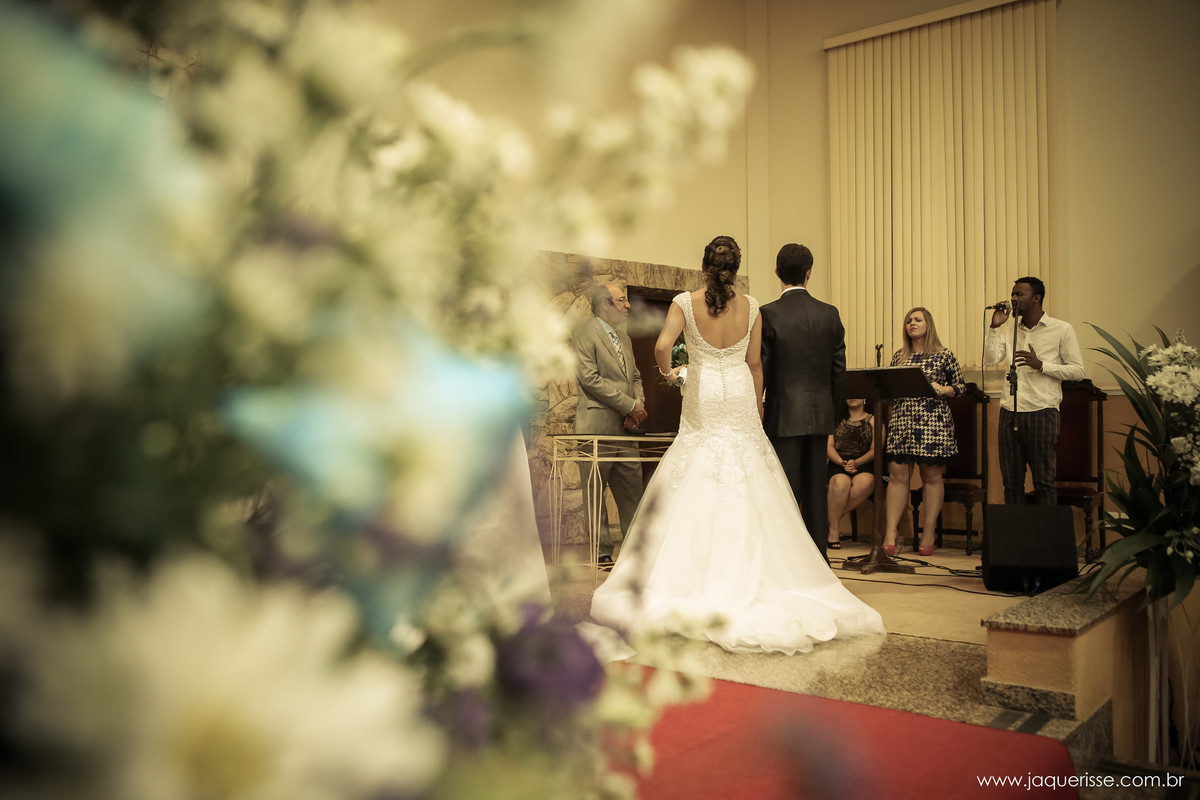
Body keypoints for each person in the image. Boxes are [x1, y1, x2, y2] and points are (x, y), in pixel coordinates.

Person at [589, 236, 884, 655]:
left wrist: (673, 374)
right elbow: (755, 363)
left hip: (705, 388)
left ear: (705, 266)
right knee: (748, 468)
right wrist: (757, 406)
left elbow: (660, 346)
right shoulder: (752, 305)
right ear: (736, 267)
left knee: (697, 464)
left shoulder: (685, 302)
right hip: (741, 392)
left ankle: (692, 577)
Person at [760, 243, 846, 560]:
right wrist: (832, 414)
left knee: (783, 492)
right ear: (809, 273)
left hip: (782, 416)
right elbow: (839, 371)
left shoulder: (767, 314)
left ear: (777, 273)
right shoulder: (830, 314)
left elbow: (762, 370)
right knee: (815, 493)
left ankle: (785, 561)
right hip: (820, 415)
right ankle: (819, 562)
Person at [983, 277, 1085, 504]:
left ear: (1036, 298)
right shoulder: (1010, 329)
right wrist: (994, 328)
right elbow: (990, 360)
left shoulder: (1062, 329)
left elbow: (1078, 371)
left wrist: (1042, 366)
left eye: (1020, 295)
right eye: (1013, 294)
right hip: (1010, 411)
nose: (1013, 299)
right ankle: (1015, 539)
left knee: (1043, 482)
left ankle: (1044, 539)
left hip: (1042, 411)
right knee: (1011, 483)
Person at [573, 284, 648, 569]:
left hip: (627, 429)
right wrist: (629, 405)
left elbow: (637, 376)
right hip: (596, 425)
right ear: (606, 304)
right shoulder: (584, 333)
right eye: (622, 300)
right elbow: (590, 379)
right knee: (594, 493)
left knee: (632, 490)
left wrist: (637, 407)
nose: (628, 306)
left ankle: (634, 552)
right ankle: (602, 554)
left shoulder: (624, 339)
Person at [882, 307, 966, 557]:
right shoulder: (898, 356)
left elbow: (961, 387)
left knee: (931, 477)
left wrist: (945, 389)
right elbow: (889, 389)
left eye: (917, 320)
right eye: (909, 320)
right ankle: (889, 532)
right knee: (897, 476)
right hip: (902, 422)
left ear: (928, 324)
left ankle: (928, 532)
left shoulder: (943, 355)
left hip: (933, 423)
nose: (912, 323)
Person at [825, 398, 875, 550]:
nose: (852, 397)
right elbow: (829, 446)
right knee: (841, 483)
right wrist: (841, 462)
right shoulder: (835, 418)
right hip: (838, 462)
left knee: (866, 482)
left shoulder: (873, 420)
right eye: (849, 394)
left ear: (865, 398)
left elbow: (875, 449)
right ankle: (833, 531)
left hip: (863, 463)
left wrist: (857, 462)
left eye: (857, 393)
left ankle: (828, 522)